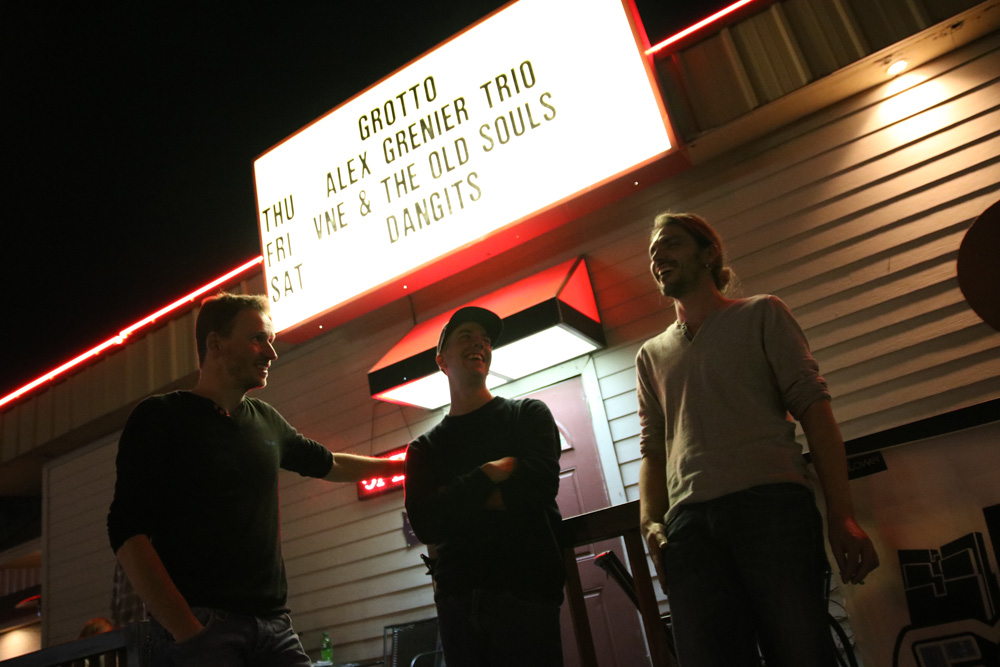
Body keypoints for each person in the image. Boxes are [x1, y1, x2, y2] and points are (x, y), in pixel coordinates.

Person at [107, 292, 404, 666]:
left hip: (275, 628)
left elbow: (330, 464)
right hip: (202, 628)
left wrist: (405, 465)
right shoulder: (161, 417)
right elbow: (126, 530)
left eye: (271, 341)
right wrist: (187, 631)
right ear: (215, 343)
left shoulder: (266, 420)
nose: (271, 353)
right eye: (257, 339)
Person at [636, 213, 879, 667]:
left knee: (801, 653)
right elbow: (652, 448)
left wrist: (842, 515)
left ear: (709, 254)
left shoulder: (762, 313)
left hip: (772, 509)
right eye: (653, 251)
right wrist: (650, 521)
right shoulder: (650, 355)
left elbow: (814, 409)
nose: (658, 256)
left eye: (670, 244)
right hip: (689, 528)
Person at [403, 306, 566, 667]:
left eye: (486, 340)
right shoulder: (424, 449)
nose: (479, 344)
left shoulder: (528, 415)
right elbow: (426, 523)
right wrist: (489, 473)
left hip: (527, 595)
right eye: (466, 336)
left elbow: (539, 487)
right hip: (458, 604)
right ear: (442, 360)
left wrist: (456, 501)